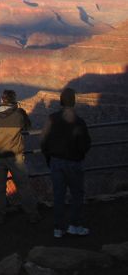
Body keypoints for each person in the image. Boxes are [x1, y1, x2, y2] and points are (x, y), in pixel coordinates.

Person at [41, 87, 91, 238]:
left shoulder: (52, 118)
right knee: (76, 195)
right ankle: (74, 226)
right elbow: (85, 144)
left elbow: (43, 141)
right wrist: (79, 155)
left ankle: (58, 229)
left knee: (58, 196)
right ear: (74, 102)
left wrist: (49, 158)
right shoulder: (79, 121)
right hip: (74, 163)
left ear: (61, 101)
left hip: (56, 162)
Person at [0, 90, 40, 225]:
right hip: (16, 157)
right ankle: (32, 214)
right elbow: (27, 126)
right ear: (14, 100)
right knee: (23, 186)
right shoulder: (19, 114)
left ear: (1, 99)